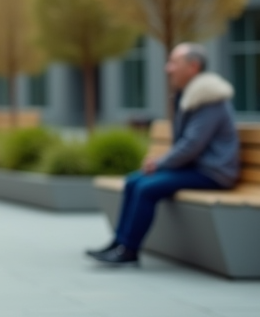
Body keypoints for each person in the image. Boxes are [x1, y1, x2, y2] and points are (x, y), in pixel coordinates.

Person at [87, 43, 240, 266]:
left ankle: (129, 250)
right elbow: (189, 145)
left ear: (193, 67)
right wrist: (162, 164)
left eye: (174, 63)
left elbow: (192, 145)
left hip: (213, 172)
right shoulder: (191, 95)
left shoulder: (209, 98)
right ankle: (119, 242)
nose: (167, 68)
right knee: (133, 181)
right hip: (196, 167)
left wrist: (160, 163)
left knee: (147, 188)